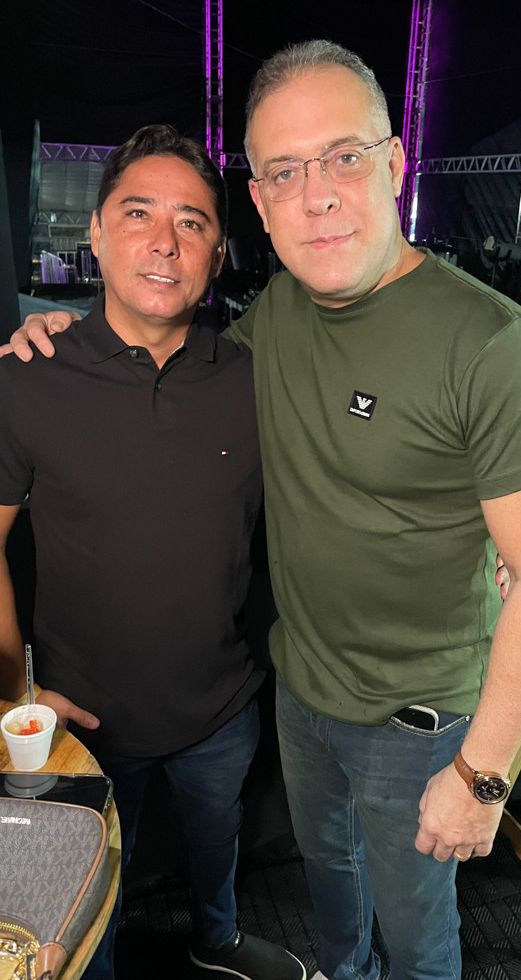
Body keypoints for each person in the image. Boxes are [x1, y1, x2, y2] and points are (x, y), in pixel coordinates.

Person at [5, 41, 521, 980]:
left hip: (417, 721)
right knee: (326, 884)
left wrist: (483, 778)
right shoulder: (270, 322)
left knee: (417, 933)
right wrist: (45, 324)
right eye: (285, 171)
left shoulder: (495, 348)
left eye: (343, 156)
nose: (318, 196)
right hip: (299, 695)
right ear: (261, 205)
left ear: (394, 164)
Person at [0, 125, 305, 980]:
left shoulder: (254, 377)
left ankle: (216, 942)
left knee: (216, 848)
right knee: (81, 904)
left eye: (192, 222)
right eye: (138, 214)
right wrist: (14, 697)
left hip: (221, 706)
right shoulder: (26, 375)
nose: (165, 242)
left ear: (217, 253)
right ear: (95, 234)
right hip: (83, 720)